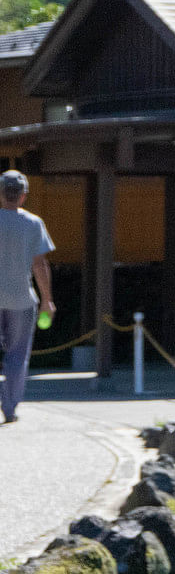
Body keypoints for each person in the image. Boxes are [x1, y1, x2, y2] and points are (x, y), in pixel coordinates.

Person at [0, 170, 55, 425]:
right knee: (17, 355)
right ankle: (10, 408)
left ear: (1, 195)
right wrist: (47, 300)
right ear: (23, 196)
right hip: (21, 299)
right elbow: (39, 265)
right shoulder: (33, 223)